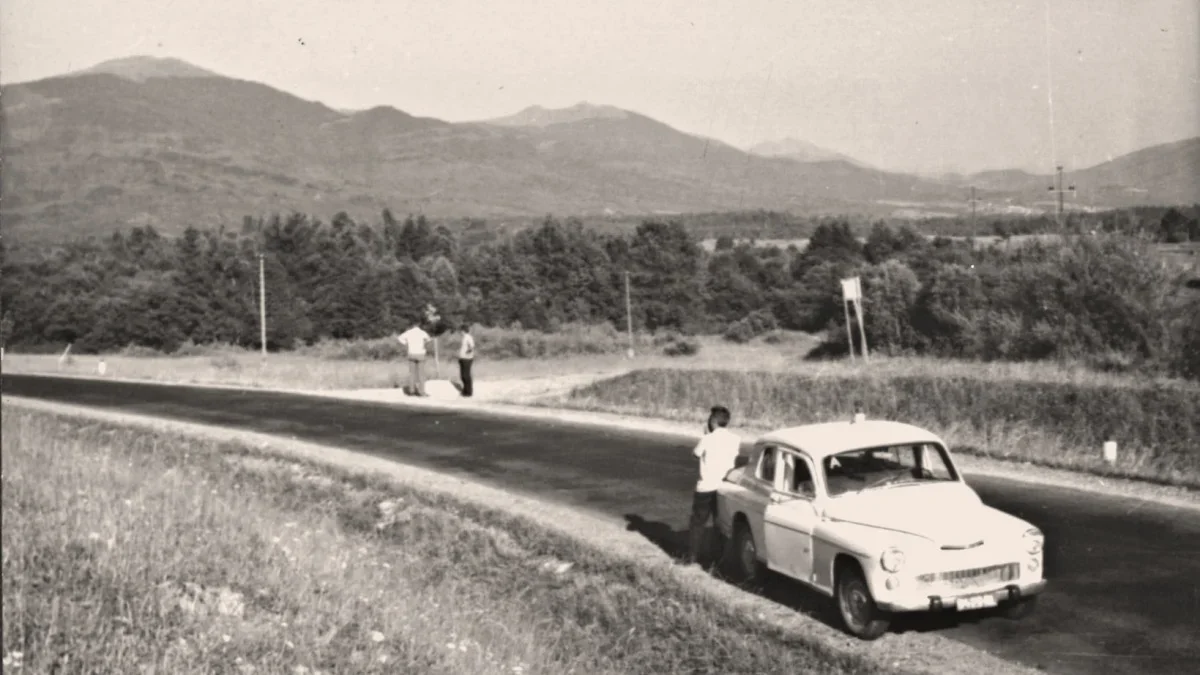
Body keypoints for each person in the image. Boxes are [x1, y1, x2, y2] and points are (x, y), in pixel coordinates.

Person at [686, 405, 741, 566]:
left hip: (706, 486)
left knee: (698, 522)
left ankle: (692, 558)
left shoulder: (707, 438)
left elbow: (696, 454)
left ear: (712, 421)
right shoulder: (736, 439)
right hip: (724, 486)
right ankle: (717, 559)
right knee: (720, 523)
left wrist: (706, 435)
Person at [397, 321, 432, 396]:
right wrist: (424, 345)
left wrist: (406, 343)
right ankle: (421, 391)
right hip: (420, 353)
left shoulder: (408, 332)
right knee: (421, 374)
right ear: (419, 325)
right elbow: (429, 340)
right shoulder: (422, 332)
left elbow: (399, 338)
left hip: (411, 353)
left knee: (412, 373)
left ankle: (411, 391)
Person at [457, 323, 475, 397]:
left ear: (463, 330)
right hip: (462, 358)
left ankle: (469, 392)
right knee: (462, 375)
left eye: (461, 331)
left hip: (467, 358)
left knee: (466, 375)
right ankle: (465, 390)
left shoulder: (468, 337)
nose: (460, 332)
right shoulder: (464, 337)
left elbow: (471, 346)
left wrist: (467, 352)